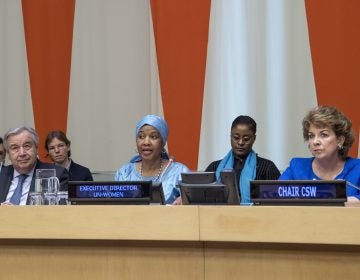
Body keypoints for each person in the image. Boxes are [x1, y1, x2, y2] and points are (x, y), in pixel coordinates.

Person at [279, 105, 360, 201]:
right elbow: (275, 194)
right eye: (311, 136)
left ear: (340, 140)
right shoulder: (297, 166)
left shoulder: (357, 168)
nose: (315, 142)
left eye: (324, 135)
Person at [115, 114, 190, 204]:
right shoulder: (124, 173)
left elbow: (194, 205)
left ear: (163, 143)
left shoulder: (180, 172)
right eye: (141, 137)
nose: (146, 142)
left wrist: (186, 202)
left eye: (153, 137)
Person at [205, 115, 281, 204]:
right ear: (230, 136)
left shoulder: (267, 168)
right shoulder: (214, 167)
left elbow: (278, 204)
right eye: (236, 138)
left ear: (254, 139)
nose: (240, 143)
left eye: (246, 139)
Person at [0, 126, 69, 205]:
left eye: (27, 146)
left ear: (36, 149)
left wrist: (17, 213)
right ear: (8, 154)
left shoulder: (57, 175)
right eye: (15, 148)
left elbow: (61, 212)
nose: (22, 153)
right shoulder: (1, 174)